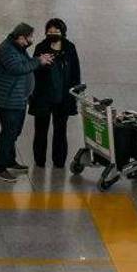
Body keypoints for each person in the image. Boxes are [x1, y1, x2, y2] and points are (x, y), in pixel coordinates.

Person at [0, 23, 54, 182]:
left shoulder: (18, 48)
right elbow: (17, 68)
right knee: (9, 132)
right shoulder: (7, 49)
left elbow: (25, 65)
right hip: (9, 99)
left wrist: (37, 60)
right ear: (20, 37)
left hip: (18, 98)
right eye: (29, 37)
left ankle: (10, 160)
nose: (31, 40)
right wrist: (38, 61)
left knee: (15, 131)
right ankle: (0, 168)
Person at [29, 19, 81, 169]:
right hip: (43, 97)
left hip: (63, 98)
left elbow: (75, 72)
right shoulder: (41, 47)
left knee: (60, 130)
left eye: (56, 32)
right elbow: (34, 71)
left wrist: (75, 92)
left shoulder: (70, 48)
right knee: (40, 131)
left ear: (62, 32)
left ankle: (59, 161)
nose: (52, 34)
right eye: (49, 32)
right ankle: (39, 161)